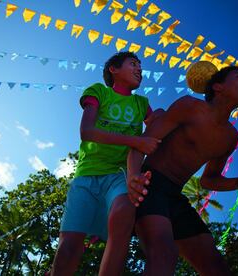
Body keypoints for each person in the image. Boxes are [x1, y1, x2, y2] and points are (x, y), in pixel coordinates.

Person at [127, 64, 238, 276]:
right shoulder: (189, 106)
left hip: (176, 197)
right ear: (217, 86)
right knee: (164, 254)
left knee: (216, 267)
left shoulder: (230, 137)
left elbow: (208, 180)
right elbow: (142, 143)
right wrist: (133, 177)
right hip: (149, 185)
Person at [51, 52, 161, 276]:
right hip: (86, 176)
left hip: (119, 176)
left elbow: (157, 127)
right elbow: (87, 132)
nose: (139, 69)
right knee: (68, 247)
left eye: (140, 65)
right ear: (114, 69)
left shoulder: (142, 103)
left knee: (123, 215)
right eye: (133, 64)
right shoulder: (98, 92)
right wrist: (135, 140)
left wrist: (160, 116)